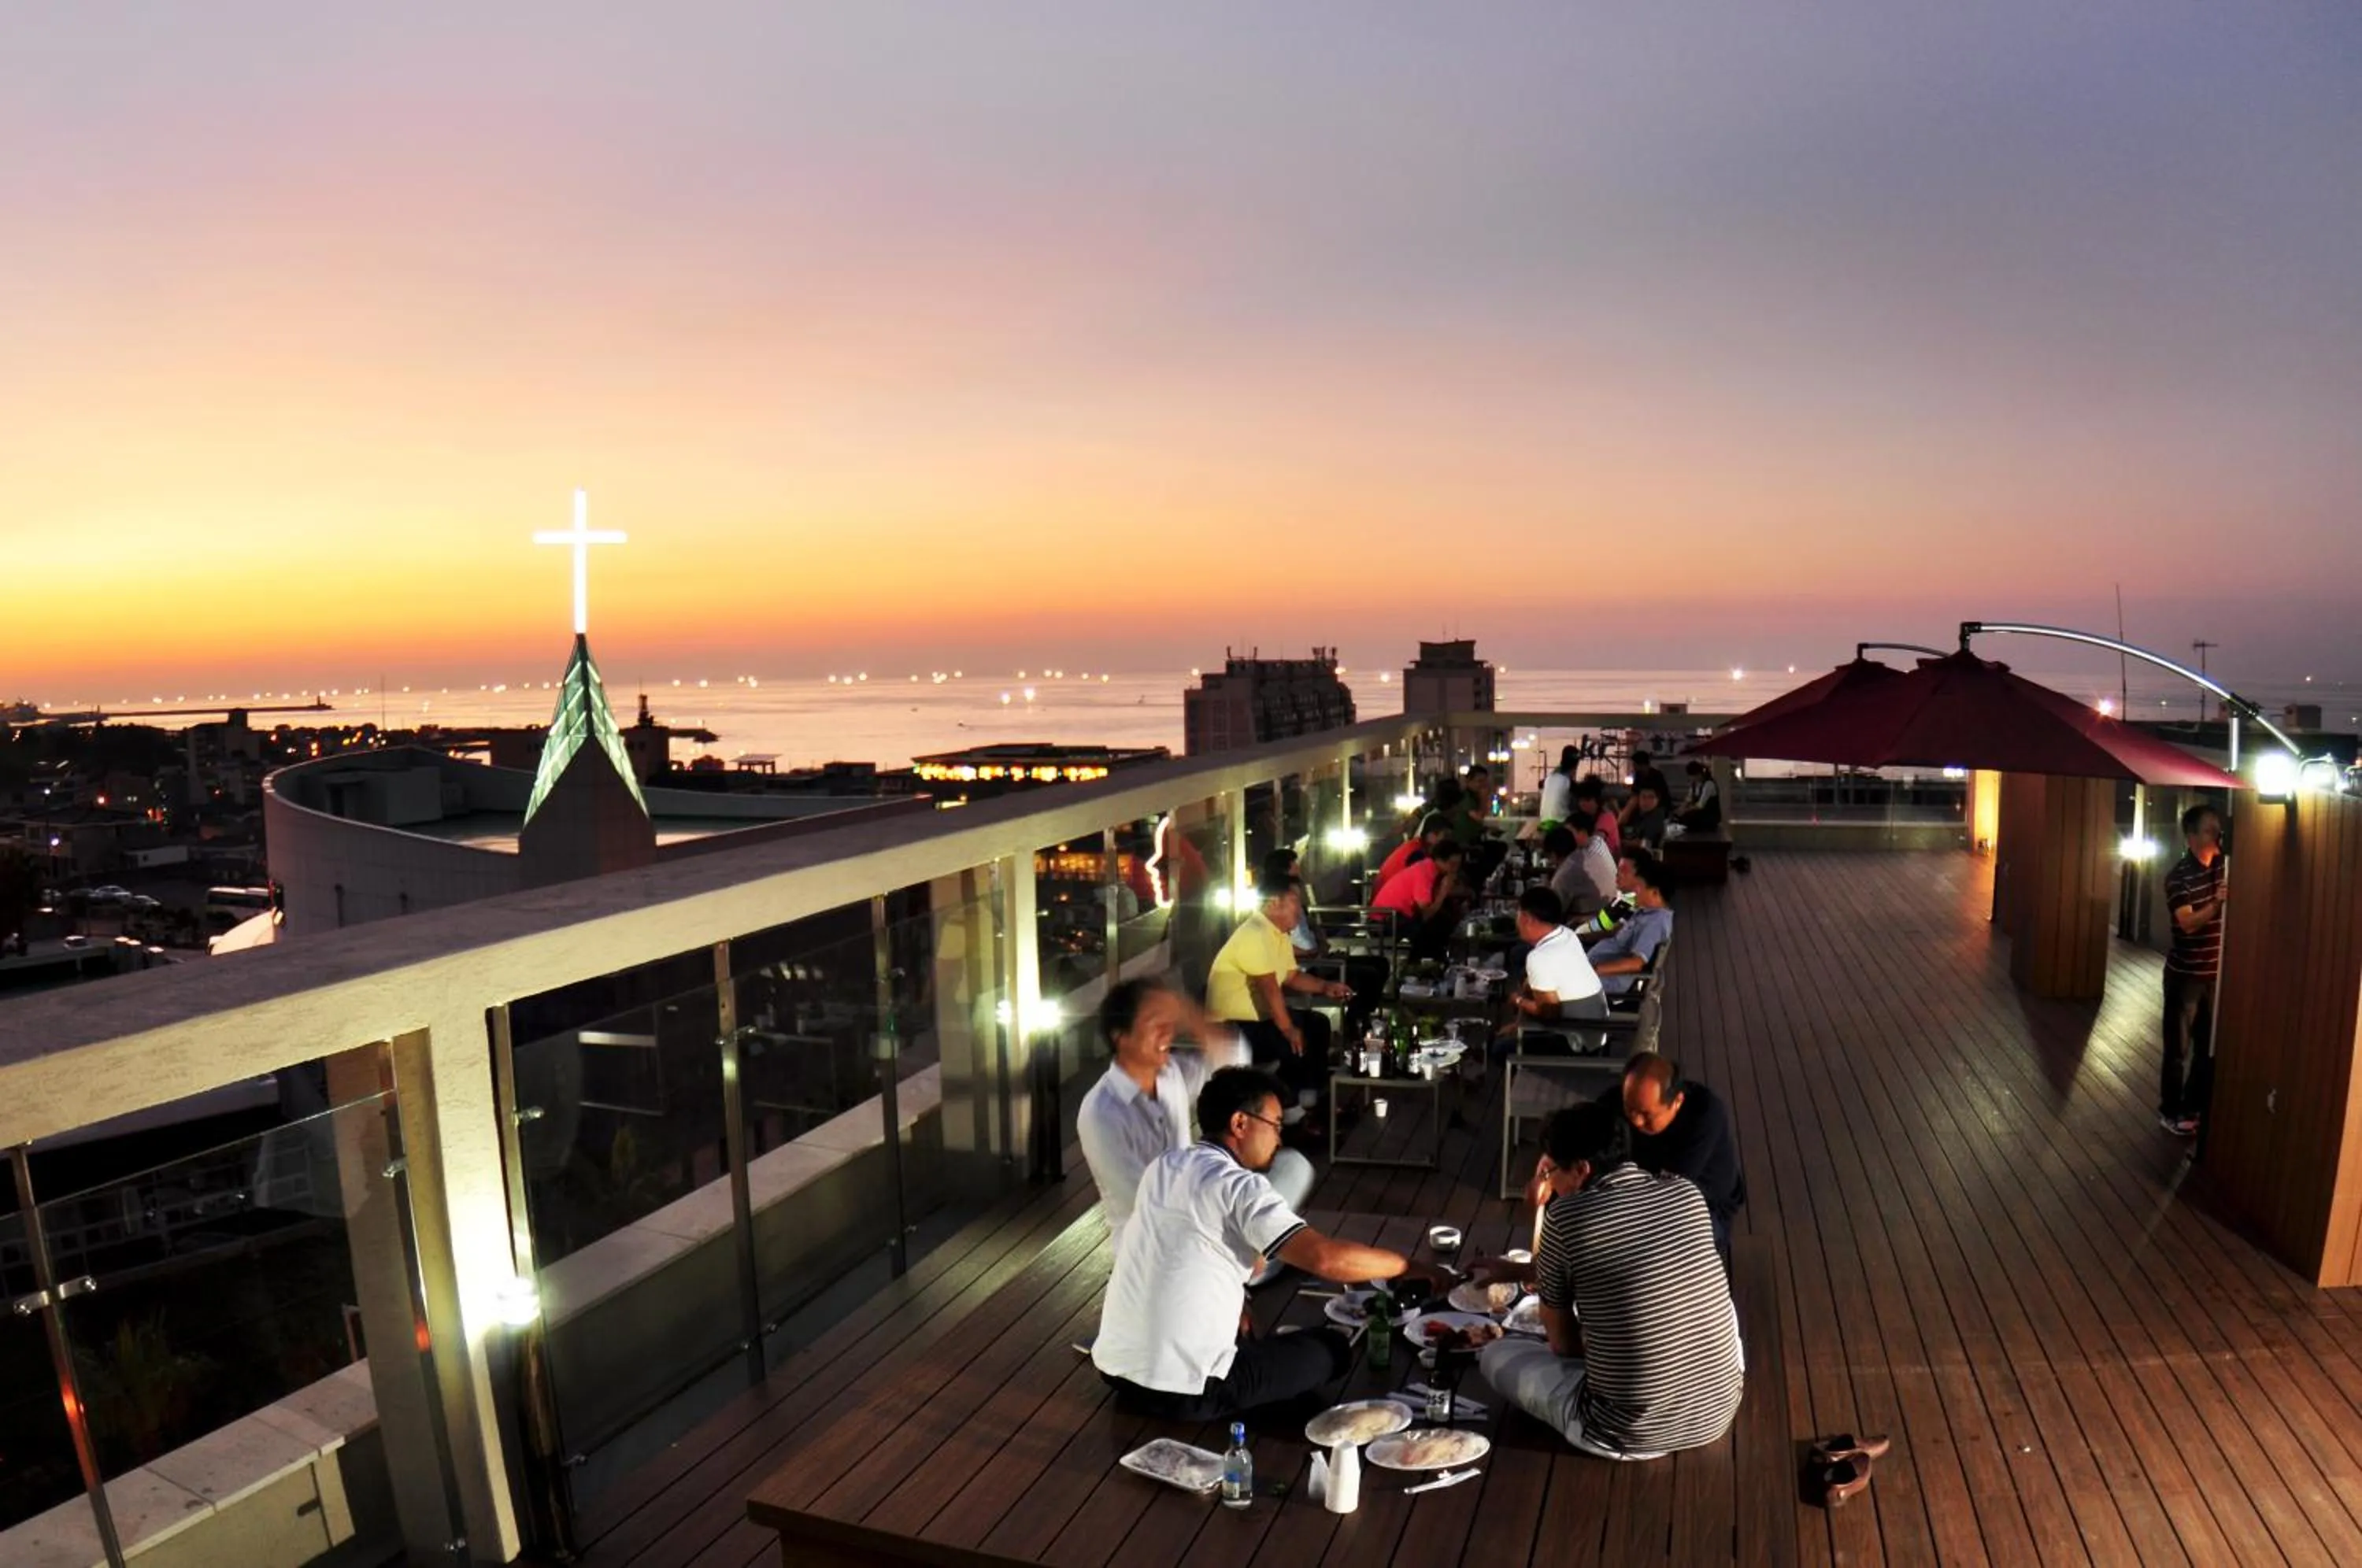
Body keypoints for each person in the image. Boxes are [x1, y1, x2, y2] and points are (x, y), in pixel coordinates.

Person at [1094, 1067, 1442, 1421]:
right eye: (1275, 1125)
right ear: (1240, 1123)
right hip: (1191, 1392)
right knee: (1332, 1350)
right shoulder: (1238, 1185)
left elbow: (1191, 1252)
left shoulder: (1165, 1166)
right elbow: (1325, 1259)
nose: (1279, 1138)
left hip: (1116, 1370)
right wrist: (1406, 1266)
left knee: (1259, 1338)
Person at [1475, 1100, 1742, 1459]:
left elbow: (1563, 1347)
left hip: (1624, 1434)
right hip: (1716, 1413)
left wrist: (1600, 1348)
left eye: (1550, 1172)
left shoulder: (1565, 1217)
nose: (1547, 1182)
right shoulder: (1685, 1192)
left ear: (1582, 1170)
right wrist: (1523, 1272)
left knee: (1494, 1356)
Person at [1077, 978, 1314, 1262]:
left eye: (1170, 1023)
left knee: (1293, 1167)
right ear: (1121, 1037)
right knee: (1259, 1212)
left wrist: (1188, 1012)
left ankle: (1252, 1255)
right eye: (1155, 1024)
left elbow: (1233, 1055)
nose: (1168, 1033)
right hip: (1153, 1246)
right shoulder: (1102, 1111)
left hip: (1200, 1209)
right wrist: (1220, 1198)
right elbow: (1144, 1201)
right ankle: (1250, 1256)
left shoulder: (1171, 1075)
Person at [1205, 879, 1354, 1116]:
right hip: (1232, 1026)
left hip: (1259, 1020)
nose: (1299, 910)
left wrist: (1326, 986)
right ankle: (1290, 1113)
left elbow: (1291, 977)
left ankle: (1310, 1097)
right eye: (1294, 903)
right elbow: (1269, 987)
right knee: (1289, 1041)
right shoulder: (1254, 933)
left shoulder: (1278, 933)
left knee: (1317, 1023)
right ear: (1274, 904)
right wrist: (1287, 1028)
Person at [1609, 1052, 1744, 1262]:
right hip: (1643, 1193)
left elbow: (1670, 1194)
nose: (1635, 1121)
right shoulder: (1629, 1098)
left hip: (1701, 1207)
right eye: (1630, 1109)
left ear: (1677, 1102)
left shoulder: (1705, 1115)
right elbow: (1582, 1124)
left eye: (1646, 1115)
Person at [2158, 804, 2227, 1137]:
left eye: (2218, 829)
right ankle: (2170, 1112)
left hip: (2214, 976)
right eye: (2209, 830)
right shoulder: (2179, 876)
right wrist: (2216, 903)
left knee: (2206, 1049)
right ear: (2192, 836)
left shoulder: (2222, 867)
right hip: (2185, 977)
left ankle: (2192, 1107)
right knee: (2178, 1050)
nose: (2217, 835)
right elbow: (2186, 923)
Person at [1492, 885, 1606, 1061]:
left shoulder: (1540, 957)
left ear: (1527, 919)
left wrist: (1517, 1000)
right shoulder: (1567, 934)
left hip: (1577, 1043)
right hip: (1595, 1033)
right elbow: (1530, 986)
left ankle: (1526, 1084)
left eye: (1518, 914)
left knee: (1499, 1050)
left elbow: (1549, 1013)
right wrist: (1518, 1023)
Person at [1587, 850, 1673, 994]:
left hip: (1606, 981)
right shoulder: (1645, 912)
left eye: (1638, 887)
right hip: (1595, 970)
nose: (1634, 890)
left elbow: (1636, 963)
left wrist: (1594, 970)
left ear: (1655, 893)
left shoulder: (1654, 923)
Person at [1371, 836, 1466, 961]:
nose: (1455, 869)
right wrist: (1443, 892)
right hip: (1384, 919)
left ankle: (1436, 963)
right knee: (1431, 930)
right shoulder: (1425, 873)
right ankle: (1419, 968)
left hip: (1399, 915)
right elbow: (1425, 913)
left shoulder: (1431, 868)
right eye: (1452, 865)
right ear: (1439, 860)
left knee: (1445, 919)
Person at [1372, 812, 1452, 897]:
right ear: (1431, 836)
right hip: (1390, 906)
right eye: (1446, 836)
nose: (1449, 842)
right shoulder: (1417, 854)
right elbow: (1424, 890)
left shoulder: (1415, 847)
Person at [1542, 826, 1605, 923]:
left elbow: (1552, 912)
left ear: (1553, 855)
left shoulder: (1565, 873)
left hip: (1587, 926)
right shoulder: (1588, 857)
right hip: (1607, 919)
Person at [1568, 812, 1620, 908]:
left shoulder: (1584, 858)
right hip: (1612, 905)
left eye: (1570, 833)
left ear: (1583, 832)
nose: (1565, 837)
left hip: (1601, 912)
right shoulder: (1598, 842)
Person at [1574, 776, 1621, 858]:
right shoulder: (1583, 818)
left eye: (1587, 800)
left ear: (1598, 801)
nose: (1583, 804)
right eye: (1580, 800)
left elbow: (1596, 842)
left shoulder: (1607, 817)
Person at [1538, 745, 1581, 832]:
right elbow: (1580, 796)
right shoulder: (1567, 781)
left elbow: (1540, 784)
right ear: (1575, 766)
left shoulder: (1550, 777)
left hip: (1544, 820)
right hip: (1560, 822)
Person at [1673, 761, 1722, 834]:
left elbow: (1700, 805)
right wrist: (1680, 809)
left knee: (1687, 820)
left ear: (1698, 774)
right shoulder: (1694, 785)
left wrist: (1685, 810)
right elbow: (1689, 799)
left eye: (1692, 776)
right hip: (1698, 814)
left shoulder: (1709, 784)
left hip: (1709, 816)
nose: (1691, 778)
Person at [1623, 782, 1668, 852]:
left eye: (1651, 797)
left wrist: (1623, 842)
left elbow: (1647, 843)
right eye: (1643, 797)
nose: (1646, 801)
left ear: (1657, 800)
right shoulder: (1636, 814)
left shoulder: (1657, 816)